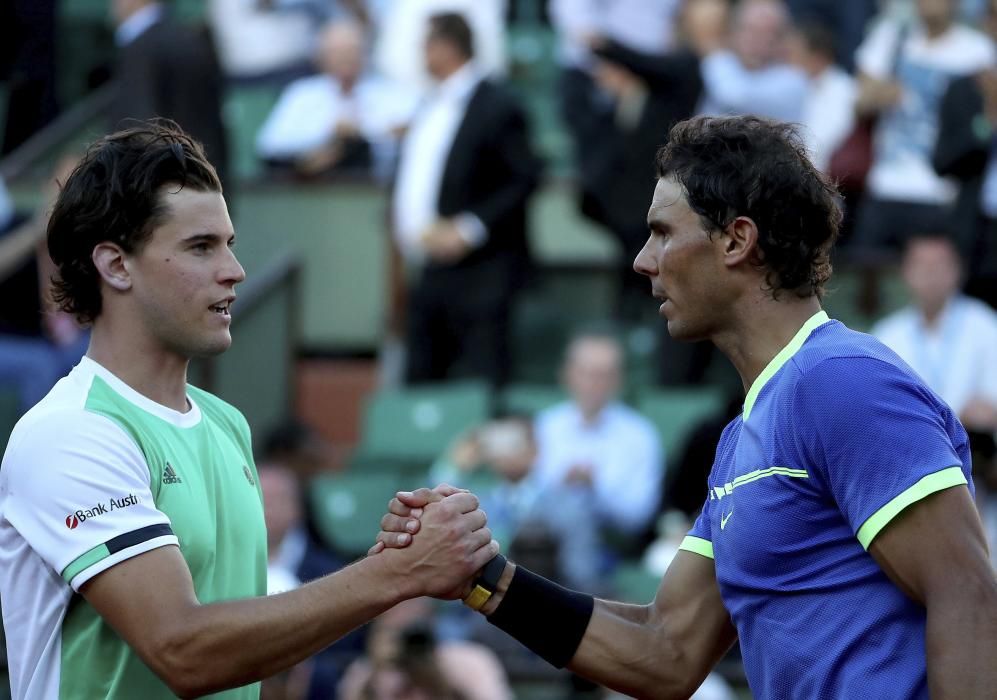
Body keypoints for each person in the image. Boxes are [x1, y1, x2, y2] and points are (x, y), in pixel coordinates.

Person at [374, 116, 997, 698]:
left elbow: (967, 593)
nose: (644, 260)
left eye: (663, 232)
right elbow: (666, 650)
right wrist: (483, 578)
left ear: (736, 241)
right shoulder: (743, 435)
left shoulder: (844, 382)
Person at [0, 121, 498, 700]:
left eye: (229, 244)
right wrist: (394, 575)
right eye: (200, 246)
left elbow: (245, 645)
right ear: (115, 266)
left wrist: (390, 558)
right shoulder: (70, 432)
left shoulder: (227, 424)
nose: (233, 269)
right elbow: (182, 650)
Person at [390, 12, 540, 386]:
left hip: (483, 273)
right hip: (429, 268)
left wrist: (469, 228)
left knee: (483, 381)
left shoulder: (498, 103)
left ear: (446, 47)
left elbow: (524, 178)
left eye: (425, 45)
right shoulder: (429, 103)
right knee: (423, 383)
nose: (421, 55)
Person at [255, 21, 417, 181]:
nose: (346, 59)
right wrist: (328, 133)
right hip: (316, 190)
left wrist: (363, 133)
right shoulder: (302, 94)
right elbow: (270, 145)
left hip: (374, 185)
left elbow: (406, 134)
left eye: (352, 51)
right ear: (321, 57)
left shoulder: (392, 93)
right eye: (338, 53)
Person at [871, 234, 997, 435]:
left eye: (939, 265)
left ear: (958, 271)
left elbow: (990, 406)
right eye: (922, 266)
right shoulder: (886, 334)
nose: (930, 274)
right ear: (905, 272)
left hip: (972, 448)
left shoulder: (986, 324)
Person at [110, 0, 230, 189]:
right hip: (203, 186)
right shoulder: (193, 40)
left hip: (160, 195)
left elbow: (138, 132)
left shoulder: (141, 48)